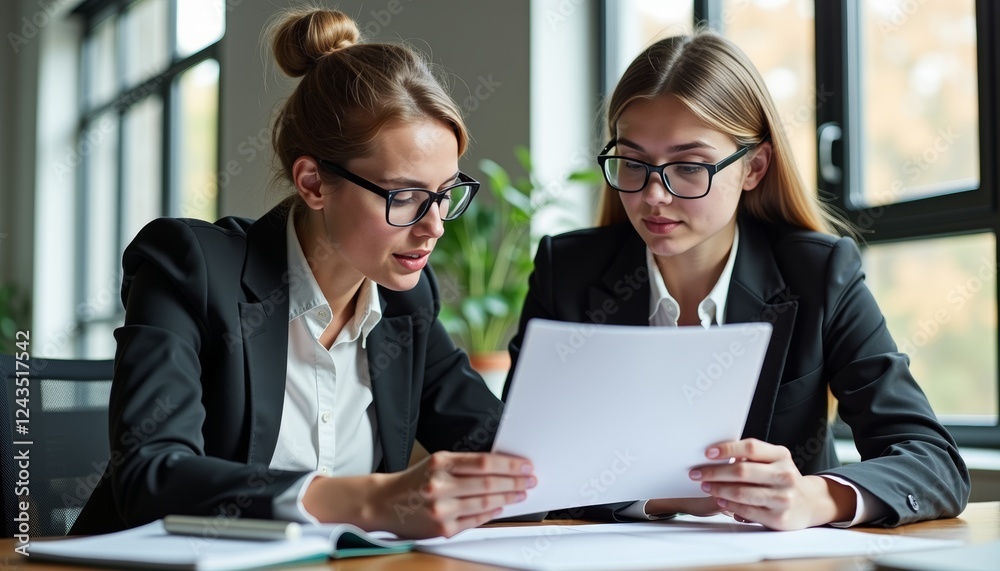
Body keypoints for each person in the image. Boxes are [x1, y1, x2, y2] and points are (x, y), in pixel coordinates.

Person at [71, 8, 534, 539]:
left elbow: (505, 454)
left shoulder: (405, 300)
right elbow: (148, 476)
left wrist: (636, 493)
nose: (434, 227)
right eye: (405, 196)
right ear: (313, 183)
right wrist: (369, 499)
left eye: (444, 195)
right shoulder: (190, 268)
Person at [505, 30, 969, 530]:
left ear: (754, 167)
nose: (654, 196)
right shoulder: (569, 271)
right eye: (634, 163)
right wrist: (662, 498)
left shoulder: (818, 273)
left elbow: (934, 462)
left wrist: (816, 497)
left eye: (689, 166)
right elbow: (522, 470)